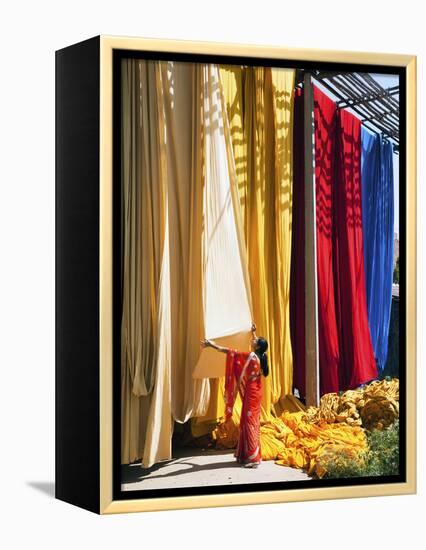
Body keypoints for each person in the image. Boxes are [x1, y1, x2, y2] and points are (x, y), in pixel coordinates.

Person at [200, 323, 269, 468]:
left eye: (255, 341)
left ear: (257, 346)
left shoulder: (251, 356)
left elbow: (230, 352)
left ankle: (253, 458)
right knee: (249, 421)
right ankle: (248, 454)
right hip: (256, 391)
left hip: (251, 393)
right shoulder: (262, 356)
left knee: (249, 422)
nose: (252, 340)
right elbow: (259, 346)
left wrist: (212, 345)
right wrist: (254, 333)